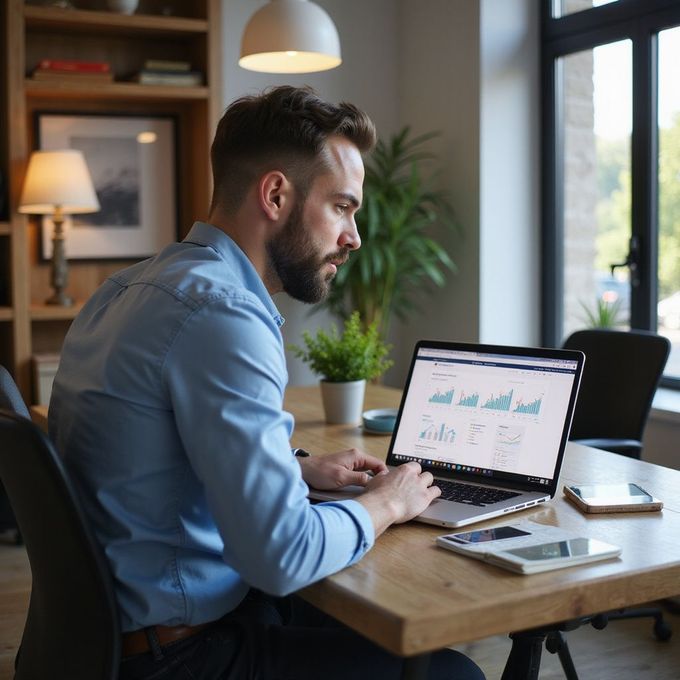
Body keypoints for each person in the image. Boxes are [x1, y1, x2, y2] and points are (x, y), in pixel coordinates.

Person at [49, 86, 485, 680]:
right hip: (179, 658)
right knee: (452, 674)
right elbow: (282, 556)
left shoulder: (126, 288)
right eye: (342, 207)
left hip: (106, 639)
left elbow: (148, 452)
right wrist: (387, 503)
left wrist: (293, 468)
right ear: (276, 194)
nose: (353, 237)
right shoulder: (224, 312)